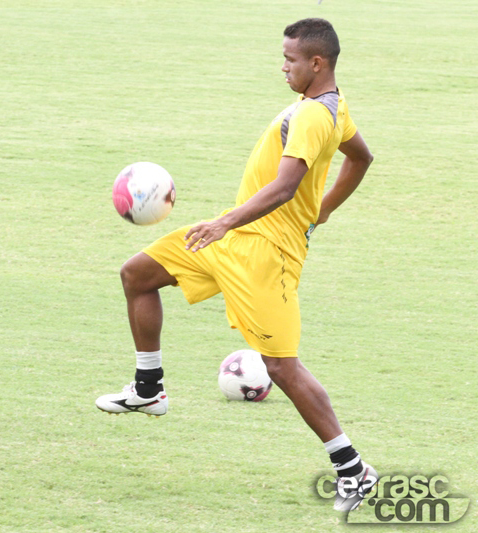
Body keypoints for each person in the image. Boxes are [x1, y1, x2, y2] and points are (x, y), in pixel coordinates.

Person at [96, 18, 377, 511]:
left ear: (317, 62)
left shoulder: (313, 117)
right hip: (234, 238)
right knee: (137, 274)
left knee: (282, 368)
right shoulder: (332, 107)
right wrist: (324, 207)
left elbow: (286, 187)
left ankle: (354, 470)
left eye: (290, 59)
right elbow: (360, 157)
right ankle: (148, 389)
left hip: (264, 256)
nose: (283, 66)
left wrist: (231, 222)